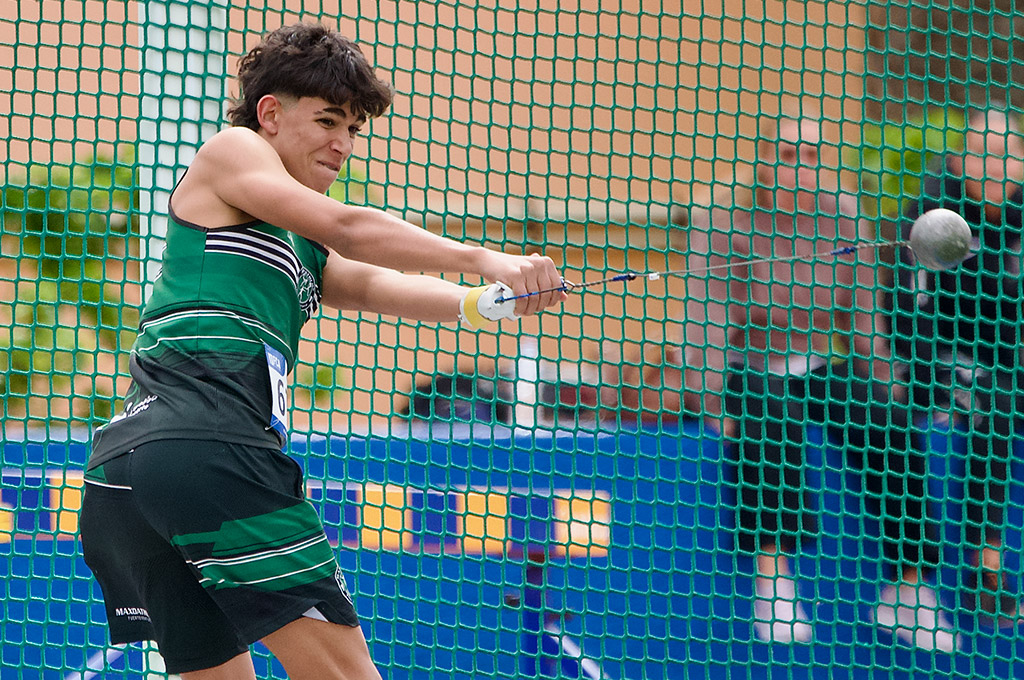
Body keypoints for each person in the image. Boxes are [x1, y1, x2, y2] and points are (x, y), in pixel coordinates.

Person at [78, 23, 565, 679]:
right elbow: (349, 229)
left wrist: (478, 301)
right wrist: (489, 257)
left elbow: (361, 279)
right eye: (329, 120)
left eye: (355, 129)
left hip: (127, 476)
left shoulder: (292, 237)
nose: (343, 143)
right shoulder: (232, 149)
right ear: (271, 113)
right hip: (209, 453)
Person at [676, 113, 950, 650]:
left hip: (819, 363)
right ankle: (772, 573)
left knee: (884, 421)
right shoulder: (722, 217)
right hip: (746, 366)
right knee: (771, 410)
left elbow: (865, 315)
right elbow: (705, 316)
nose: (799, 168)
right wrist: (710, 396)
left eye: (810, 157)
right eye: (786, 155)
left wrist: (889, 390)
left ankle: (907, 588)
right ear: (762, 159)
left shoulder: (846, 216)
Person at [886, 107, 1024, 625]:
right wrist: (934, 376)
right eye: (981, 153)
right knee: (993, 408)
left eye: (1005, 154)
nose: (993, 166)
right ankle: (985, 574)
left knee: (1001, 393)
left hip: (1007, 361)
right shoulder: (932, 214)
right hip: (938, 364)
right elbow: (905, 315)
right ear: (960, 159)